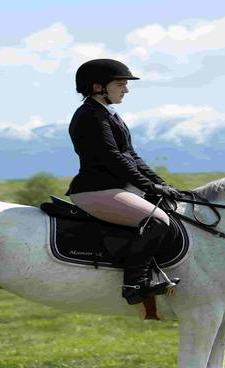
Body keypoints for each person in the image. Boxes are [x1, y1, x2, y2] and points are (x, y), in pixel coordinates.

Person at [67, 59, 181, 305]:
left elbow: (131, 156)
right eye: (120, 84)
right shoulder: (90, 116)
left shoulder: (107, 114)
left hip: (114, 188)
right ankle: (134, 283)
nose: (126, 90)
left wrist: (161, 184)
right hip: (96, 190)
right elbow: (113, 158)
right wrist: (149, 187)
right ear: (98, 87)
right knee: (157, 221)